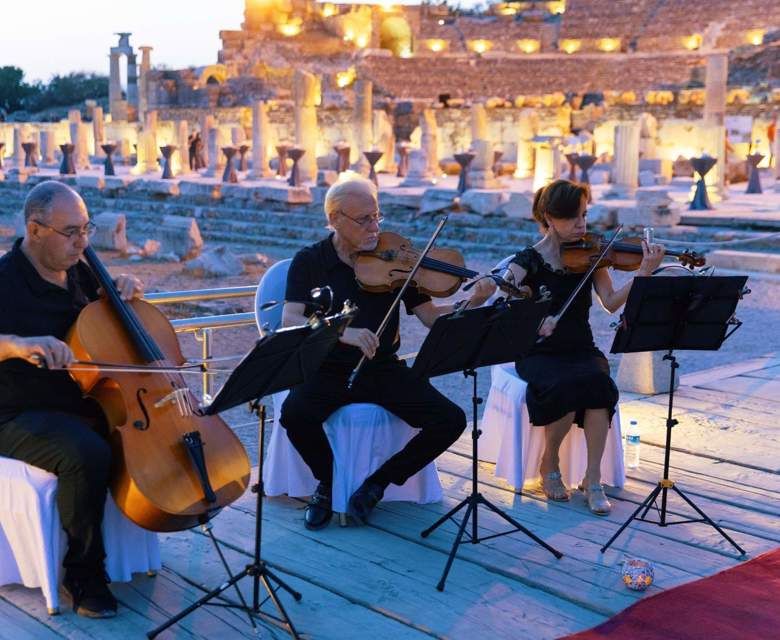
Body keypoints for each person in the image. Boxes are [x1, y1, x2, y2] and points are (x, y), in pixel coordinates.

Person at [280, 174, 495, 530]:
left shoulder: (394, 258)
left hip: (382, 368)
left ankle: (378, 484)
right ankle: (328, 482)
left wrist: (474, 300)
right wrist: (343, 333)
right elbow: (291, 317)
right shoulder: (310, 261)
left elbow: (431, 318)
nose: (375, 226)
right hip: (328, 367)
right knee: (294, 414)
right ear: (334, 219)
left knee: (450, 420)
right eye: (364, 219)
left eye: (378, 216)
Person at [0, 180, 144, 618]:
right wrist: (18, 345)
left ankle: (141, 538)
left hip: (80, 400)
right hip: (16, 412)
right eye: (71, 232)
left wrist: (123, 285)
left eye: (87, 229)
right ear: (35, 229)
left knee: (133, 437)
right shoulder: (5, 280)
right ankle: (82, 575)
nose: (82, 242)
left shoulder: (83, 271)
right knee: (84, 452)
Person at [503, 179, 665, 515]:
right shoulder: (527, 261)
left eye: (585, 216)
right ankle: (550, 463)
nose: (583, 226)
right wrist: (532, 322)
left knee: (599, 385)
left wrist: (643, 274)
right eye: (574, 218)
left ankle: (593, 479)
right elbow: (502, 305)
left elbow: (610, 302)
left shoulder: (591, 256)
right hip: (537, 353)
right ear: (548, 217)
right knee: (564, 385)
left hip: (580, 348)